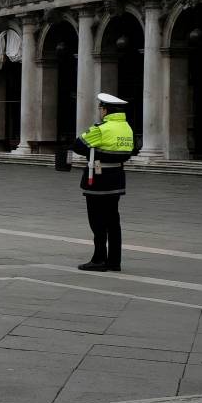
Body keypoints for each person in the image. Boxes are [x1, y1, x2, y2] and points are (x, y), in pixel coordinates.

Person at [70, 92, 134, 272]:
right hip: (117, 178)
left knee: (97, 221)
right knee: (114, 221)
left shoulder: (101, 128)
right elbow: (133, 150)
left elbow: (78, 145)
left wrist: (95, 151)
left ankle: (99, 259)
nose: (100, 111)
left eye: (101, 108)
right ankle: (114, 261)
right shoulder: (127, 128)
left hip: (98, 180)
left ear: (105, 110)